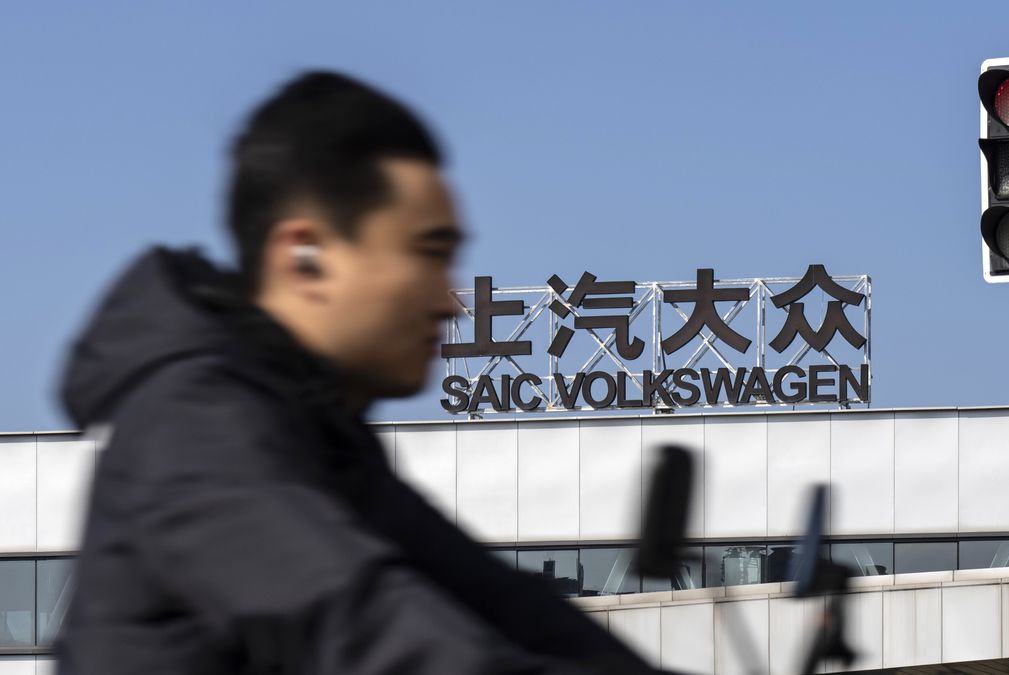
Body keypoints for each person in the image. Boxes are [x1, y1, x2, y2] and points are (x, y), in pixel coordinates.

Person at [56, 71, 659, 674]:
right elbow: (374, 632)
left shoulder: (328, 441)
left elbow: (511, 609)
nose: (452, 301)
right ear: (305, 257)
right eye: (429, 254)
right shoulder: (191, 429)